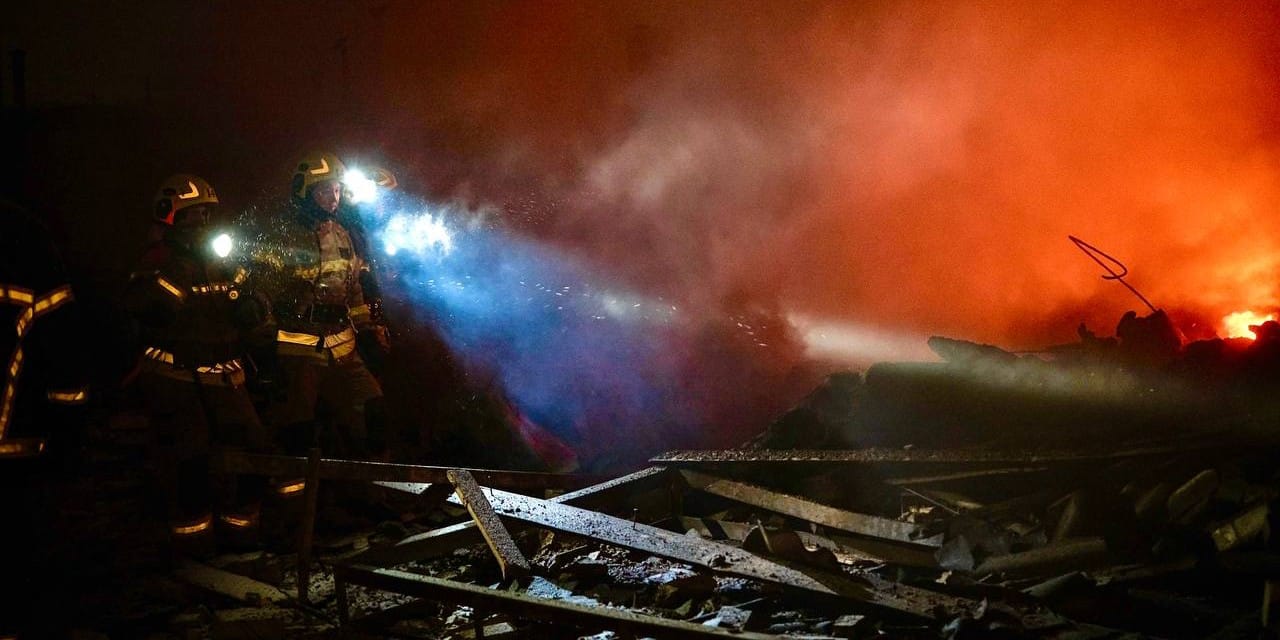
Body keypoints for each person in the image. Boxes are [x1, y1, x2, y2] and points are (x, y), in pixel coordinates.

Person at [124, 174, 271, 555]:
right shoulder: (157, 261)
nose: (202, 222)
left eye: (206, 213)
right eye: (193, 215)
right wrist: (182, 273)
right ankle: (193, 547)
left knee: (254, 449)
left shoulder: (221, 259)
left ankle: (241, 533)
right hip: (176, 378)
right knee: (190, 462)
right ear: (170, 217)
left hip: (225, 376)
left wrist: (252, 305)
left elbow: (251, 299)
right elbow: (148, 311)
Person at [253, 152, 389, 460]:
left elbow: (354, 289)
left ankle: (366, 484)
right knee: (297, 434)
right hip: (299, 350)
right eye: (325, 190)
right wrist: (263, 344)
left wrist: (367, 331)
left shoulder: (342, 234)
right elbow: (262, 288)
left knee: (373, 413)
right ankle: (294, 490)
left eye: (337, 190)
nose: (334, 197)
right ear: (305, 192)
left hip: (343, 349)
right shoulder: (285, 234)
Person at [0, 198, 90, 637]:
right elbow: (64, 350)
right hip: (17, 448)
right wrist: (68, 431)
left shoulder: (21, 235)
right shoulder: (22, 235)